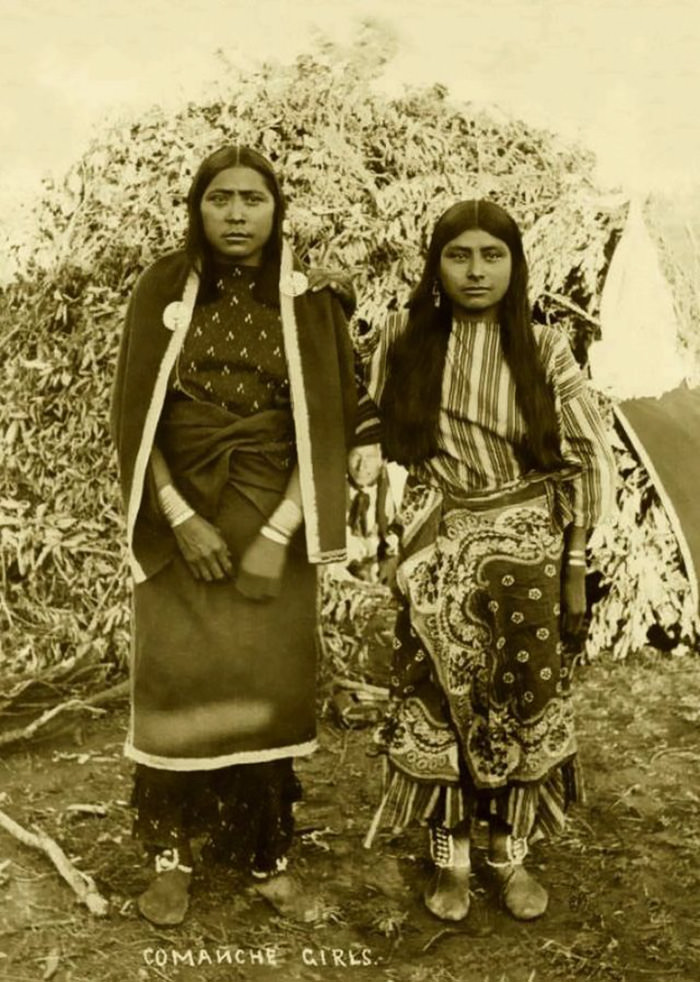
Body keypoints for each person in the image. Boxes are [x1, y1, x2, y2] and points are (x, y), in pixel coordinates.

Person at [110, 145, 380, 925]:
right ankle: (171, 857)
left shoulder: (312, 299)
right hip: (180, 518)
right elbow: (136, 420)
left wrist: (281, 530)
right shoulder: (161, 289)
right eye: (219, 198)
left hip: (274, 516)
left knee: (267, 686)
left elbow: (325, 424)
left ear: (276, 207)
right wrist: (181, 518)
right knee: (178, 682)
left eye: (252, 199)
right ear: (197, 208)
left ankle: (267, 853)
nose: (235, 214)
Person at [364, 199, 616, 922]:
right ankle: (451, 853)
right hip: (437, 542)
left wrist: (573, 564)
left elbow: (589, 453)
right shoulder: (401, 337)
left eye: (492, 256)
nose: (476, 271)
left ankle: (508, 849)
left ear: (515, 265)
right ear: (436, 266)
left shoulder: (542, 348)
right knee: (438, 697)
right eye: (459, 256)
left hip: (529, 550)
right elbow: (352, 413)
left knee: (518, 695)